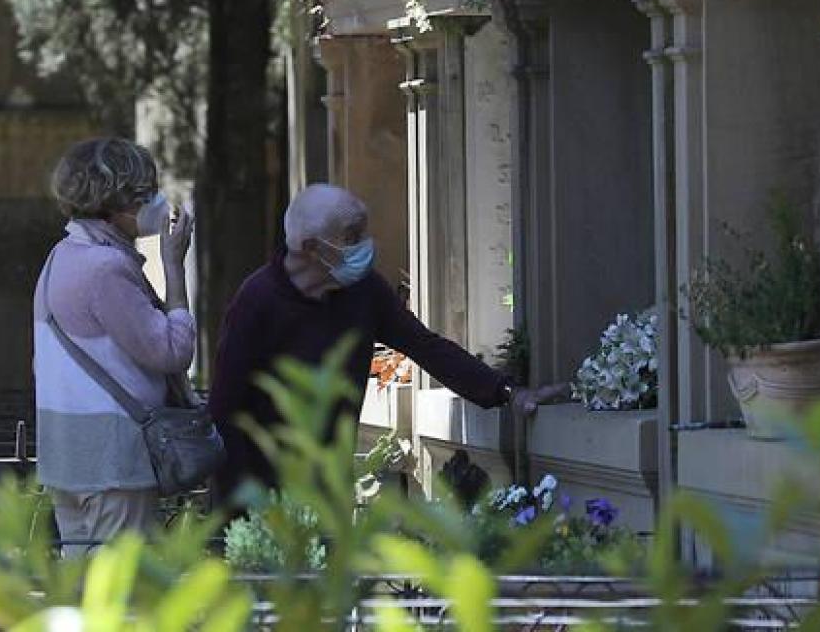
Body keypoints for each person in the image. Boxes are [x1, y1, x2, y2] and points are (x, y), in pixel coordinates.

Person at [207, 183, 567, 505]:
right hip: (258, 492)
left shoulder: (365, 292)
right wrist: (244, 501)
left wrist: (506, 392)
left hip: (328, 488)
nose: (365, 244)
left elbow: (426, 346)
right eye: (351, 236)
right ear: (312, 248)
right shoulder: (257, 301)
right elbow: (225, 408)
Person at [32, 137, 197, 554]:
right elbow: (172, 351)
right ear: (118, 203)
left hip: (65, 455)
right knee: (121, 600)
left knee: (85, 599)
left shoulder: (61, 257)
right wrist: (174, 267)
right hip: (113, 462)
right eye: (146, 193)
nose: (157, 201)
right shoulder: (106, 269)